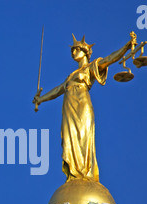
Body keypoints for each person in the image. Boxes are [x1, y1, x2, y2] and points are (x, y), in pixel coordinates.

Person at [33, 33, 137, 182]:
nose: (73, 52)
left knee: (83, 136)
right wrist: (41, 99)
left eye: (77, 49)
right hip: (69, 106)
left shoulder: (91, 67)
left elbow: (111, 58)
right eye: (72, 50)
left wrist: (127, 46)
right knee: (70, 138)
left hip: (82, 105)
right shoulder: (71, 76)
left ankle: (85, 172)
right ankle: (74, 173)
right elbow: (57, 90)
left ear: (85, 52)